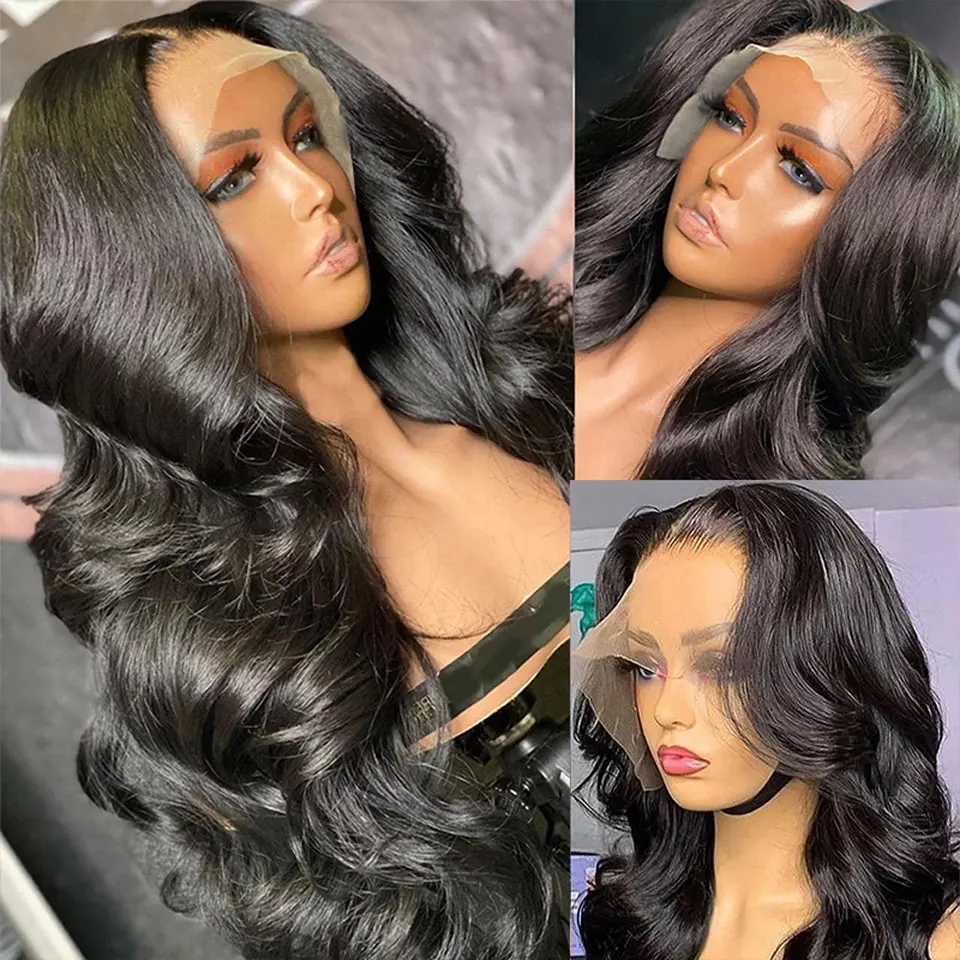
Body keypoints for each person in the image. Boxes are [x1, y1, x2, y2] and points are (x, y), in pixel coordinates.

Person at [0, 3, 573, 958]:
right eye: (236, 178)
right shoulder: (232, 652)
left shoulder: (546, 395)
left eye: (307, 135)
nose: (314, 188)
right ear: (133, 258)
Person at [575, 0, 960, 480]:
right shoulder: (530, 333)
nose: (724, 169)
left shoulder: (753, 493)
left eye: (799, 171)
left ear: (867, 243)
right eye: (730, 117)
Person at [573, 482, 960, 959]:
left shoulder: (937, 941)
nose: (665, 711)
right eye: (646, 667)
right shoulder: (628, 919)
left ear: (825, 674)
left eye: (722, 667)